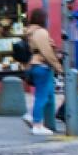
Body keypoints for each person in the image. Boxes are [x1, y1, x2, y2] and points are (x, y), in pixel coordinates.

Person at [21, 8, 60, 137]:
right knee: (42, 96)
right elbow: (46, 52)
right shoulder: (40, 32)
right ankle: (37, 124)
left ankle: (33, 116)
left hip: (35, 65)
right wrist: (58, 67)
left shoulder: (31, 32)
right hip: (42, 66)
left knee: (47, 95)